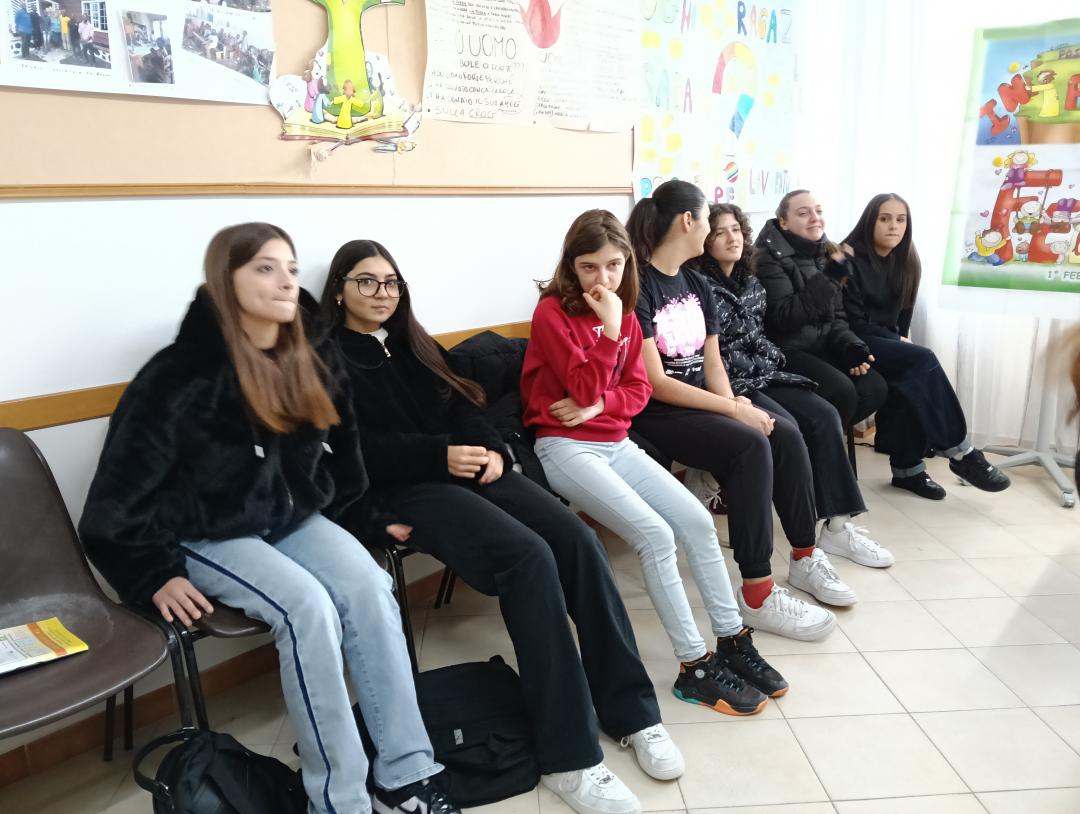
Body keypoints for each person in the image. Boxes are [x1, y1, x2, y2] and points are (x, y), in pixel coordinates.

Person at [78, 223, 459, 814]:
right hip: (203, 529)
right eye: (264, 267)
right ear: (224, 281)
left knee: (369, 585)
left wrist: (363, 517)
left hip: (289, 518)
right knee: (307, 608)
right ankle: (338, 800)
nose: (285, 280)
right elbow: (111, 503)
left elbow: (346, 453)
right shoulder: (177, 375)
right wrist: (152, 573)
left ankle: (405, 774)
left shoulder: (310, 356)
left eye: (290, 267)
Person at [320, 239, 683, 814]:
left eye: (390, 282)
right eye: (366, 281)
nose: (382, 293)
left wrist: (492, 450)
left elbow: (463, 403)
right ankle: (570, 756)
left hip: (469, 468)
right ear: (339, 290)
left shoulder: (412, 342)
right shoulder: (323, 359)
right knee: (528, 558)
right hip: (409, 488)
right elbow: (348, 452)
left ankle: (632, 712)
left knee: (577, 540)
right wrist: (438, 457)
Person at [522, 209, 789, 716]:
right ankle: (694, 667)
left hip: (614, 440)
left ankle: (732, 639)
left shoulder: (625, 313)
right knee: (655, 536)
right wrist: (606, 337)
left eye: (613, 266)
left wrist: (600, 405)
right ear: (570, 266)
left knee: (696, 522)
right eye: (589, 267)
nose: (603, 279)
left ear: (627, 263)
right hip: (564, 445)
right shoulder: (553, 314)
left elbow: (638, 390)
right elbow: (582, 387)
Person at [625, 180, 856, 642]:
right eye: (708, 220)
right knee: (751, 445)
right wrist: (732, 409)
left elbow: (712, 363)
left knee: (785, 432)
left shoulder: (695, 282)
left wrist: (734, 402)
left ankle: (805, 556)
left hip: (703, 399)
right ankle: (757, 593)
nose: (714, 228)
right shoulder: (640, 285)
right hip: (658, 410)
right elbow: (657, 383)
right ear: (688, 222)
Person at [691, 203, 893, 567]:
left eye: (735, 229)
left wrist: (774, 357)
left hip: (766, 371)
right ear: (704, 240)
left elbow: (763, 334)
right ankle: (801, 543)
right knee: (791, 428)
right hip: (731, 381)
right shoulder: (698, 286)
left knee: (825, 414)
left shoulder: (751, 281)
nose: (731, 238)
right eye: (719, 232)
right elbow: (713, 353)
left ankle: (837, 527)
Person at [842, 193, 1010, 498]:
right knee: (921, 360)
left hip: (882, 341)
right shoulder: (849, 259)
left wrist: (899, 342)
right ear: (869, 222)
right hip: (851, 342)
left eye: (900, 220)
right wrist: (898, 343)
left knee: (912, 376)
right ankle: (962, 453)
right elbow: (851, 323)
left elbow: (901, 318)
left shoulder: (907, 260)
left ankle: (908, 472)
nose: (894, 226)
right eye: (884, 218)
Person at [753, 189, 888, 436]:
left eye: (818, 211)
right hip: (785, 350)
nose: (815, 218)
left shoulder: (825, 251)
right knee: (842, 393)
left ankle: (819, 440)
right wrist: (830, 277)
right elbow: (783, 318)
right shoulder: (766, 257)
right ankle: (817, 447)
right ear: (783, 222)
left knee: (874, 388)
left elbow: (837, 316)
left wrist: (849, 345)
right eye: (803, 213)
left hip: (820, 345)